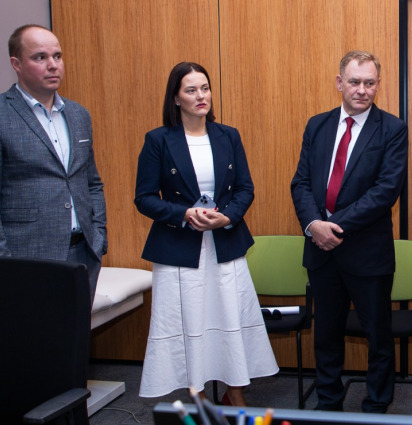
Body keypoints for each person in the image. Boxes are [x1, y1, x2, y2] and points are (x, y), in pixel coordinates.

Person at [135, 62, 278, 406]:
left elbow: (245, 188)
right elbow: (144, 197)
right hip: (179, 248)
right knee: (189, 324)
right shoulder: (158, 140)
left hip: (224, 243)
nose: (201, 96)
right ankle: (197, 397)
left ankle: (235, 393)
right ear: (176, 98)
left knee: (230, 318)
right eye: (191, 90)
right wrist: (184, 214)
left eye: (205, 88)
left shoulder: (228, 135)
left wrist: (226, 217)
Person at [290, 50, 408, 413]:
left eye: (370, 83)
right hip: (321, 251)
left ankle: (377, 405)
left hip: (367, 252)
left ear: (378, 85)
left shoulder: (392, 129)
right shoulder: (317, 125)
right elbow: (301, 182)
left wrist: (333, 227)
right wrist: (314, 225)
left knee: (378, 335)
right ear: (339, 83)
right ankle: (329, 401)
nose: (362, 90)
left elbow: (385, 191)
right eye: (355, 82)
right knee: (326, 333)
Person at [0, 24, 107, 301]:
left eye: (57, 56)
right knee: (35, 330)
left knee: (76, 331)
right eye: (40, 57)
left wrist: (98, 236)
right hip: (26, 259)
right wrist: (0, 264)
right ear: (16, 64)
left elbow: (92, 183)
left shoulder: (78, 114)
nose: (53, 65)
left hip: (83, 254)